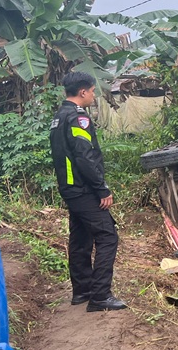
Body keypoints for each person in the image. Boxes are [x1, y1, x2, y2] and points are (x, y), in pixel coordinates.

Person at [50, 72, 127, 312]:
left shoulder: (59, 117)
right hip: (82, 189)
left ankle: (82, 291)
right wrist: (101, 189)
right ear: (83, 91)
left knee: (81, 237)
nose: (94, 95)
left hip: (70, 188)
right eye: (93, 91)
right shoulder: (77, 118)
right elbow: (85, 157)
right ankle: (100, 296)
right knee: (107, 236)